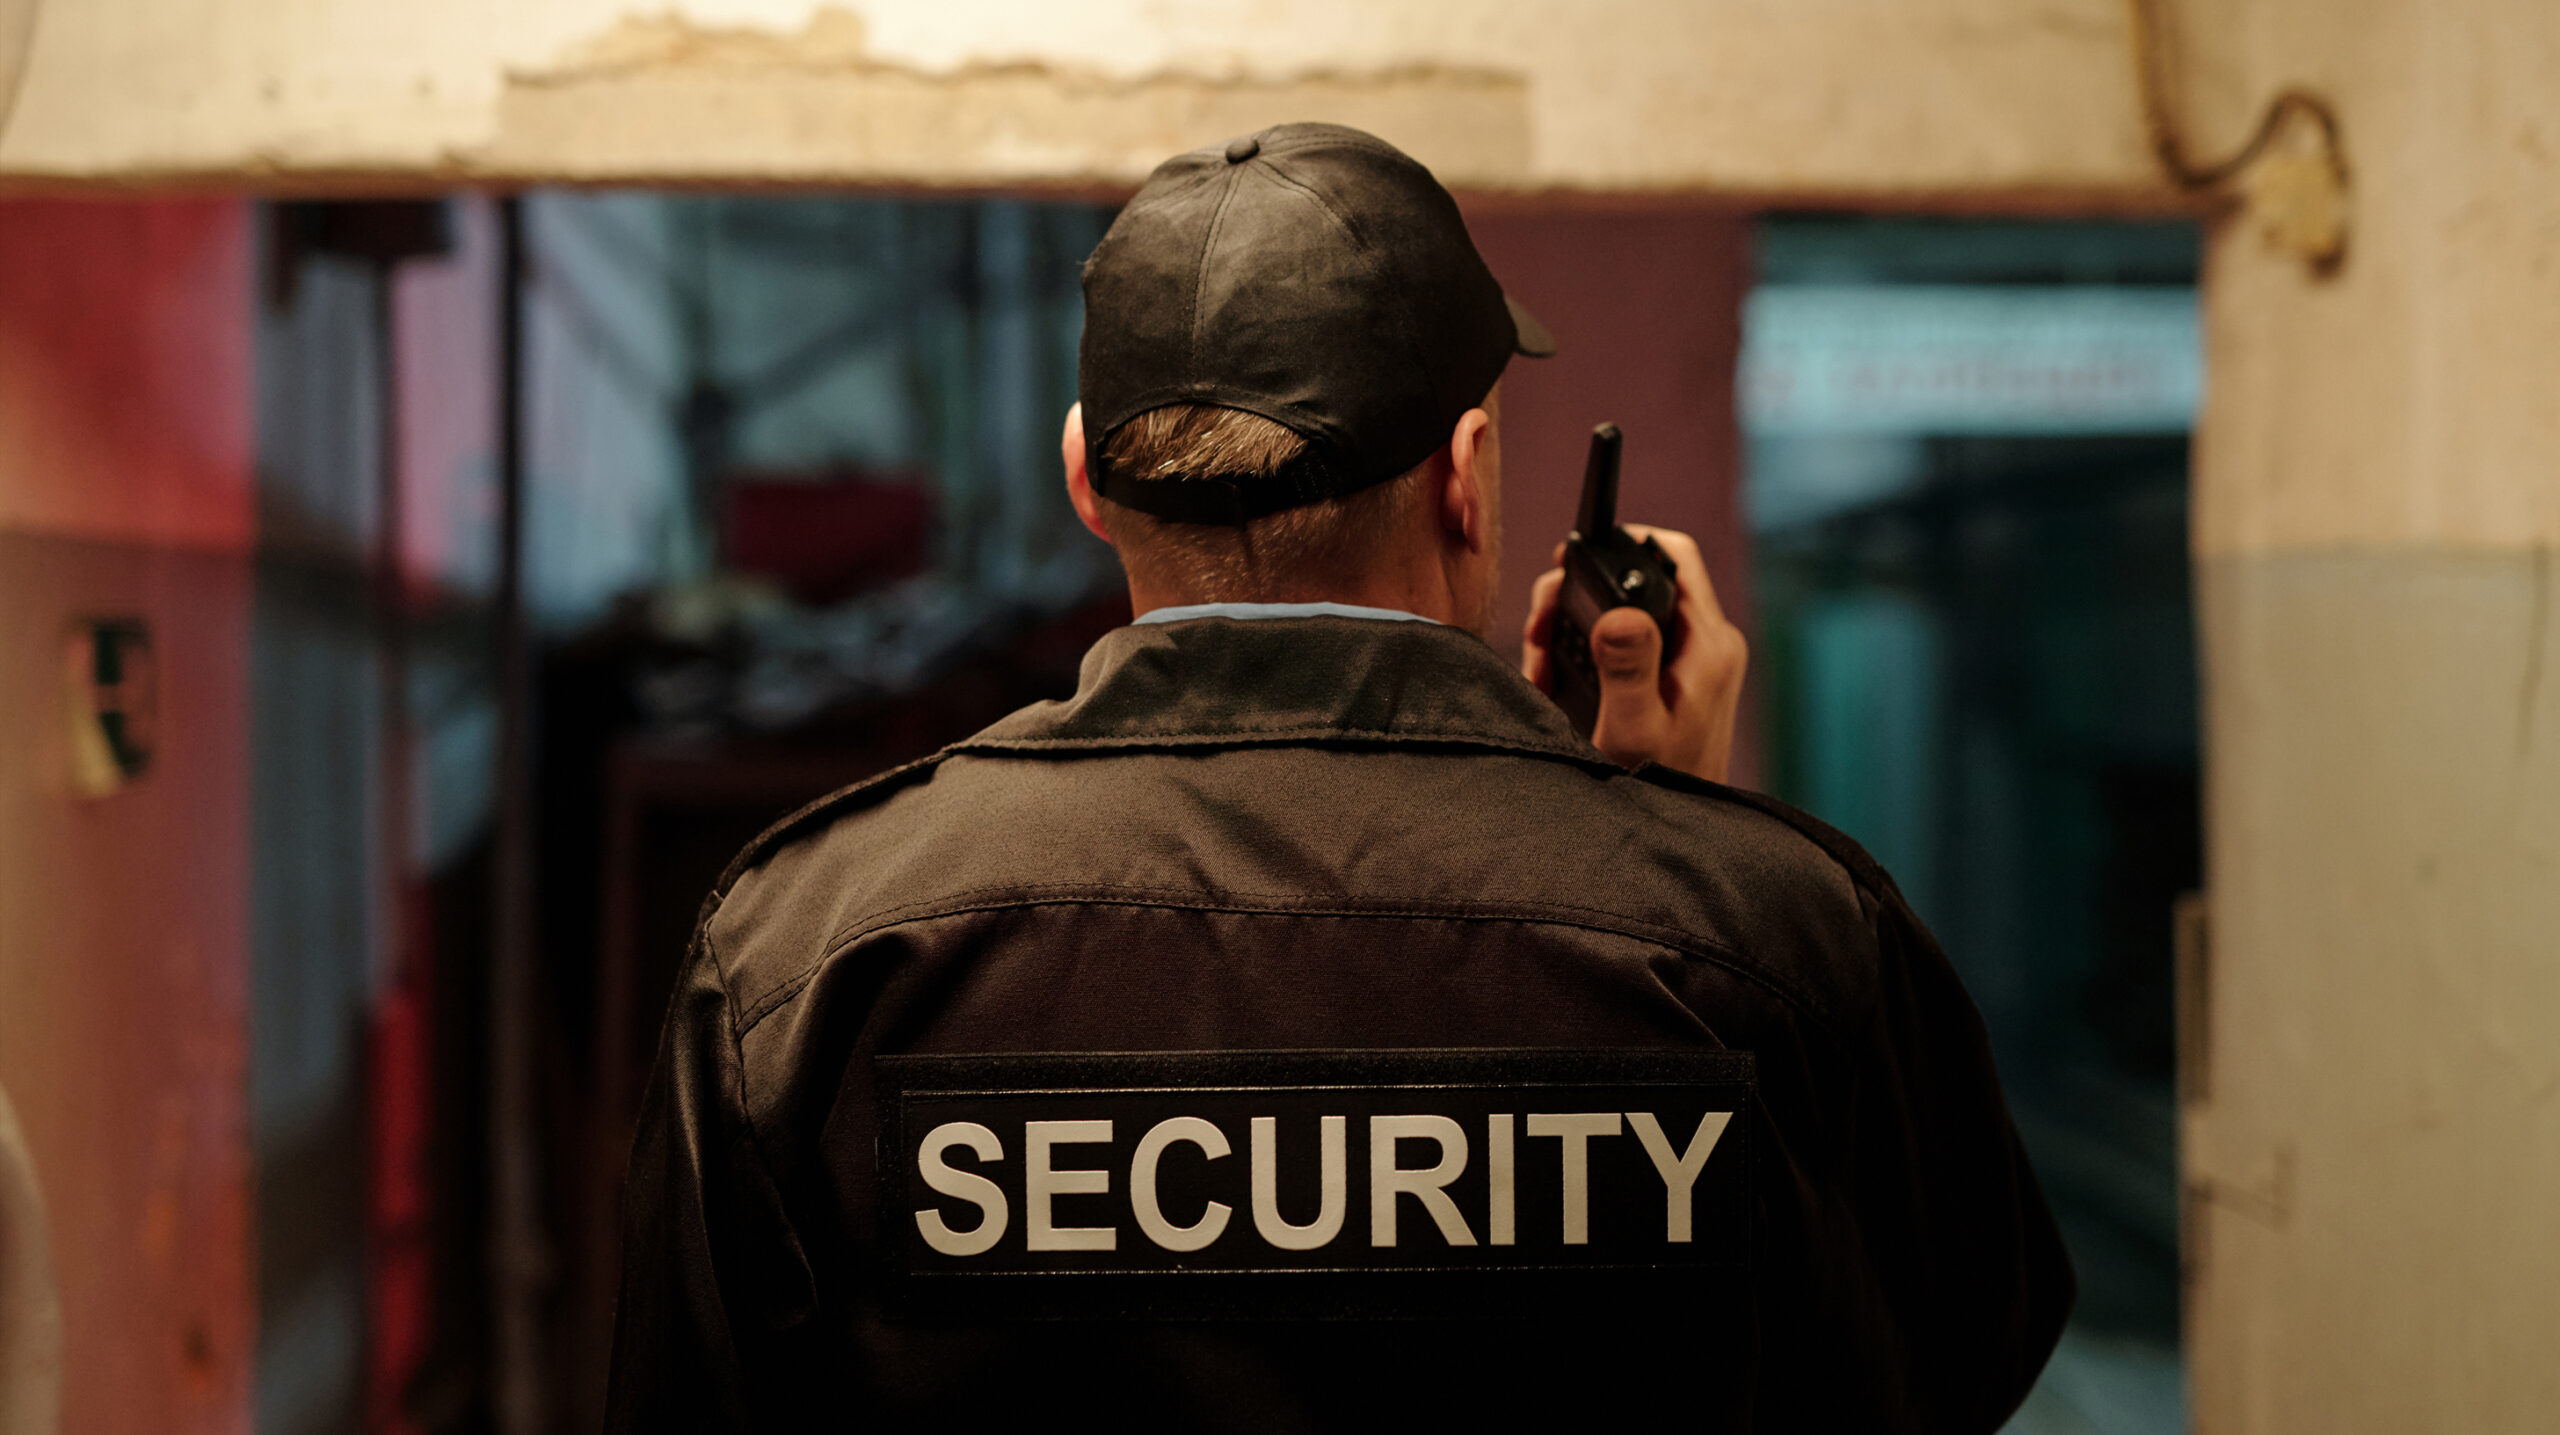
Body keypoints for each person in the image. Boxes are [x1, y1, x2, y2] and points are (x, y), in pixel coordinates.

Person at [606, 122, 2072, 1432]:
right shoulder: (1784, 941)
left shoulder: (812, 951)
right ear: (1468, 473)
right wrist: (1667, 841)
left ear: (1085, 478)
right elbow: (1952, 1363)